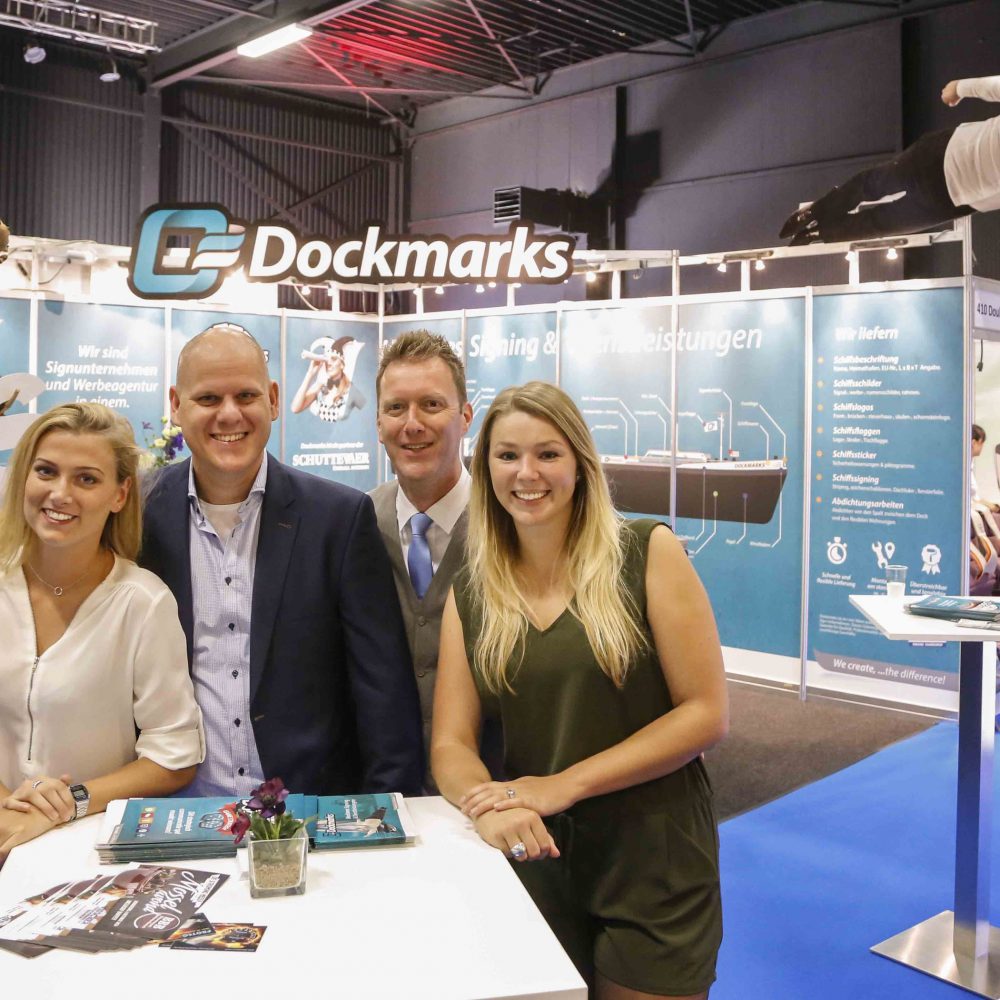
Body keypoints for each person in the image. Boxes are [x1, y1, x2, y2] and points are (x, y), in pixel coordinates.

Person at [431, 381, 729, 999]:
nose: (527, 473)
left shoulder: (646, 552)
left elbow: (704, 714)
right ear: (485, 469)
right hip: (537, 857)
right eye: (507, 455)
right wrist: (489, 808)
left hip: (654, 856)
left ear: (580, 464)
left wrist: (562, 785)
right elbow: (452, 743)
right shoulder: (473, 592)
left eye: (548, 453)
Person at [141, 323, 423, 798]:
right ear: (176, 404)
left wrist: (389, 811)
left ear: (273, 399)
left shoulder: (339, 520)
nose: (229, 414)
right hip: (177, 813)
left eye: (246, 396)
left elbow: (383, 694)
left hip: (310, 814)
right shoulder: (138, 516)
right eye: (208, 398)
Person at [0, 403, 204, 862]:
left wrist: (67, 803)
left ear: (120, 494)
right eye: (46, 471)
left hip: (86, 855)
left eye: (86, 479)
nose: (60, 493)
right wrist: (10, 811)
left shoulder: (144, 603)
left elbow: (174, 756)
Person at [369, 331, 501, 782]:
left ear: (465, 417)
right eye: (396, 408)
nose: (412, 424)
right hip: (387, 797)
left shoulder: (510, 524)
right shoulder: (356, 524)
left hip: (497, 791)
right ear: (378, 423)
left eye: (431, 404)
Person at [781, 75, 1000, 244]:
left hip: (956, 197)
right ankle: (816, 213)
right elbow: (993, 86)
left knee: (883, 220)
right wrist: (959, 87)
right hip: (945, 155)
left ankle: (819, 232)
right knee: (873, 186)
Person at [290, 335, 366, 422]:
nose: (329, 363)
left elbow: (365, 417)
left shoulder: (352, 391)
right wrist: (310, 374)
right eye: (326, 360)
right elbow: (295, 408)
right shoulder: (320, 387)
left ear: (342, 364)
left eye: (333, 359)